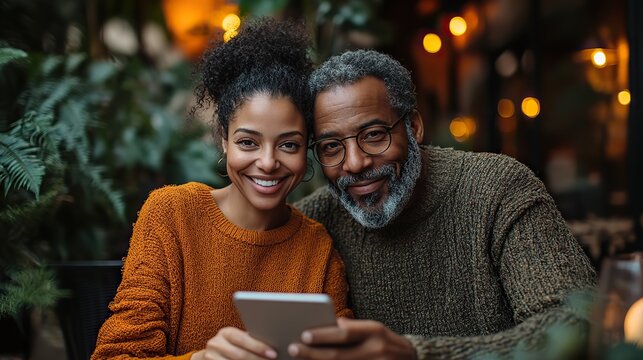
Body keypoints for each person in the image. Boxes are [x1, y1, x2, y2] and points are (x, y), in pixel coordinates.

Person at [291, 50, 596, 359]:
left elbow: (576, 321)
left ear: (414, 126)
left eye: (373, 135)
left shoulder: (498, 189)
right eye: (331, 147)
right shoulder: (314, 221)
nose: (355, 164)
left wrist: (417, 354)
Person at [91, 18, 351, 360]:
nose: (268, 162)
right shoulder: (172, 214)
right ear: (223, 139)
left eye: (289, 145)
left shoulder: (317, 249)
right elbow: (115, 355)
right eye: (248, 142)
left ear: (307, 150)